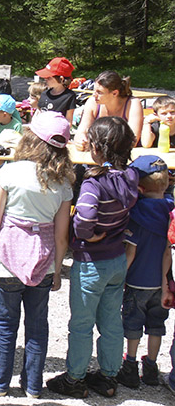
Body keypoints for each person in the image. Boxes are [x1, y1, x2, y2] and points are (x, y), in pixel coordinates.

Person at [0, 112, 75, 397]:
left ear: (31, 138)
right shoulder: (63, 183)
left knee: (4, 325)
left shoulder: (10, 171)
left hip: (6, 261)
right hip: (43, 262)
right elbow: (61, 235)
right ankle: (33, 385)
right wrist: (57, 270)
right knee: (37, 326)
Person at [48, 116, 139, 398]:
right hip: (116, 260)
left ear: (97, 148)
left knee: (82, 324)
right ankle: (109, 377)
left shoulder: (93, 183)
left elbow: (85, 218)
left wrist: (88, 234)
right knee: (112, 321)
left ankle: (75, 378)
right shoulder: (131, 176)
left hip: (91, 263)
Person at [115, 156, 173, 388]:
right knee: (156, 326)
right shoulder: (170, 211)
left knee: (133, 324)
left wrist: (120, 279)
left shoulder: (137, 215)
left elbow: (131, 253)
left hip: (138, 281)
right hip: (161, 283)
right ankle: (151, 366)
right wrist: (166, 282)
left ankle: (129, 365)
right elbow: (168, 251)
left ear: (138, 187)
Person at [74, 71, 144, 150]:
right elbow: (80, 131)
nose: (94, 95)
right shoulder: (92, 102)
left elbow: (133, 140)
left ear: (114, 93)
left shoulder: (132, 104)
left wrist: (98, 145)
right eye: (94, 91)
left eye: (99, 92)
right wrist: (81, 141)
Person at [35, 57, 77, 122]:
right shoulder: (44, 94)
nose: (45, 79)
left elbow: (69, 120)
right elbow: (38, 113)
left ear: (61, 79)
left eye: (49, 78)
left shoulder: (69, 96)